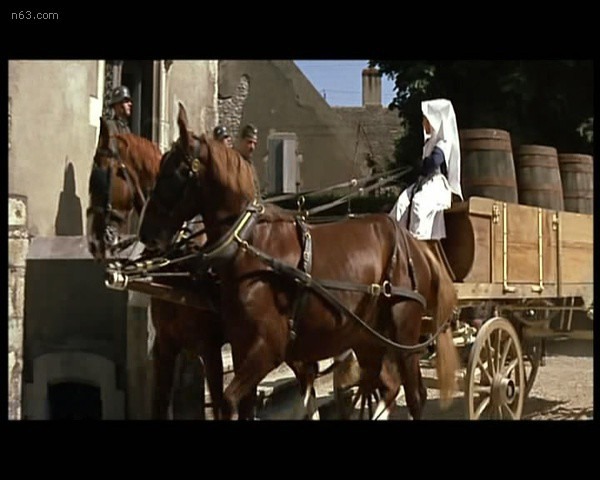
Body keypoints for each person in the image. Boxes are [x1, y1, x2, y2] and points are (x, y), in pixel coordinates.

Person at [389, 98, 463, 240]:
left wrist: (420, 165)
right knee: (402, 203)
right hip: (424, 183)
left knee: (419, 203)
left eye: (426, 119)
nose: (424, 123)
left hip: (437, 185)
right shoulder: (429, 143)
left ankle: (418, 244)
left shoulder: (444, 141)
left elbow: (434, 162)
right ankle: (399, 241)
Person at [236, 124, 261, 198]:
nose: (252, 147)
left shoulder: (249, 164)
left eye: (254, 144)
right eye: (249, 142)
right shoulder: (233, 162)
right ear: (241, 141)